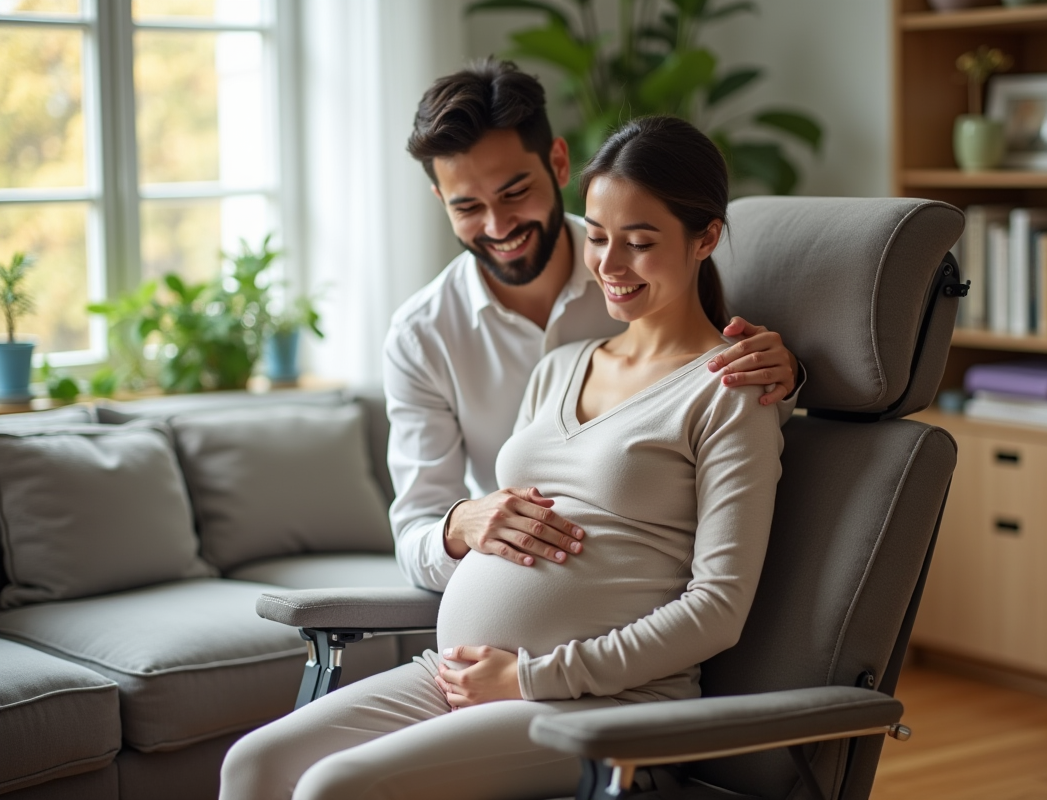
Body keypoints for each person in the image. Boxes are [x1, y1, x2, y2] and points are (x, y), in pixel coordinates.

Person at [218, 115, 786, 800]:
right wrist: (468, 541)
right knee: (252, 765)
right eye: (597, 236)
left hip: (603, 705)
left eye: (639, 243)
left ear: (706, 238)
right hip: (460, 674)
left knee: (334, 787)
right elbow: (455, 526)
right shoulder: (561, 365)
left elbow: (718, 608)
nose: (609, 265)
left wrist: (529, 676)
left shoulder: (733, 390)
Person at [384, 58, 798, 590]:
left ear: (558, 163)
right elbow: (415, 531)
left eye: (514, 193)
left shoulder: (645, 267)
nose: (498, 226)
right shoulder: (421, 336)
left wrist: (786, 377)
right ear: (441, 200)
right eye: (467, 208)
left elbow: (715, 396)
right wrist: (460, 524)